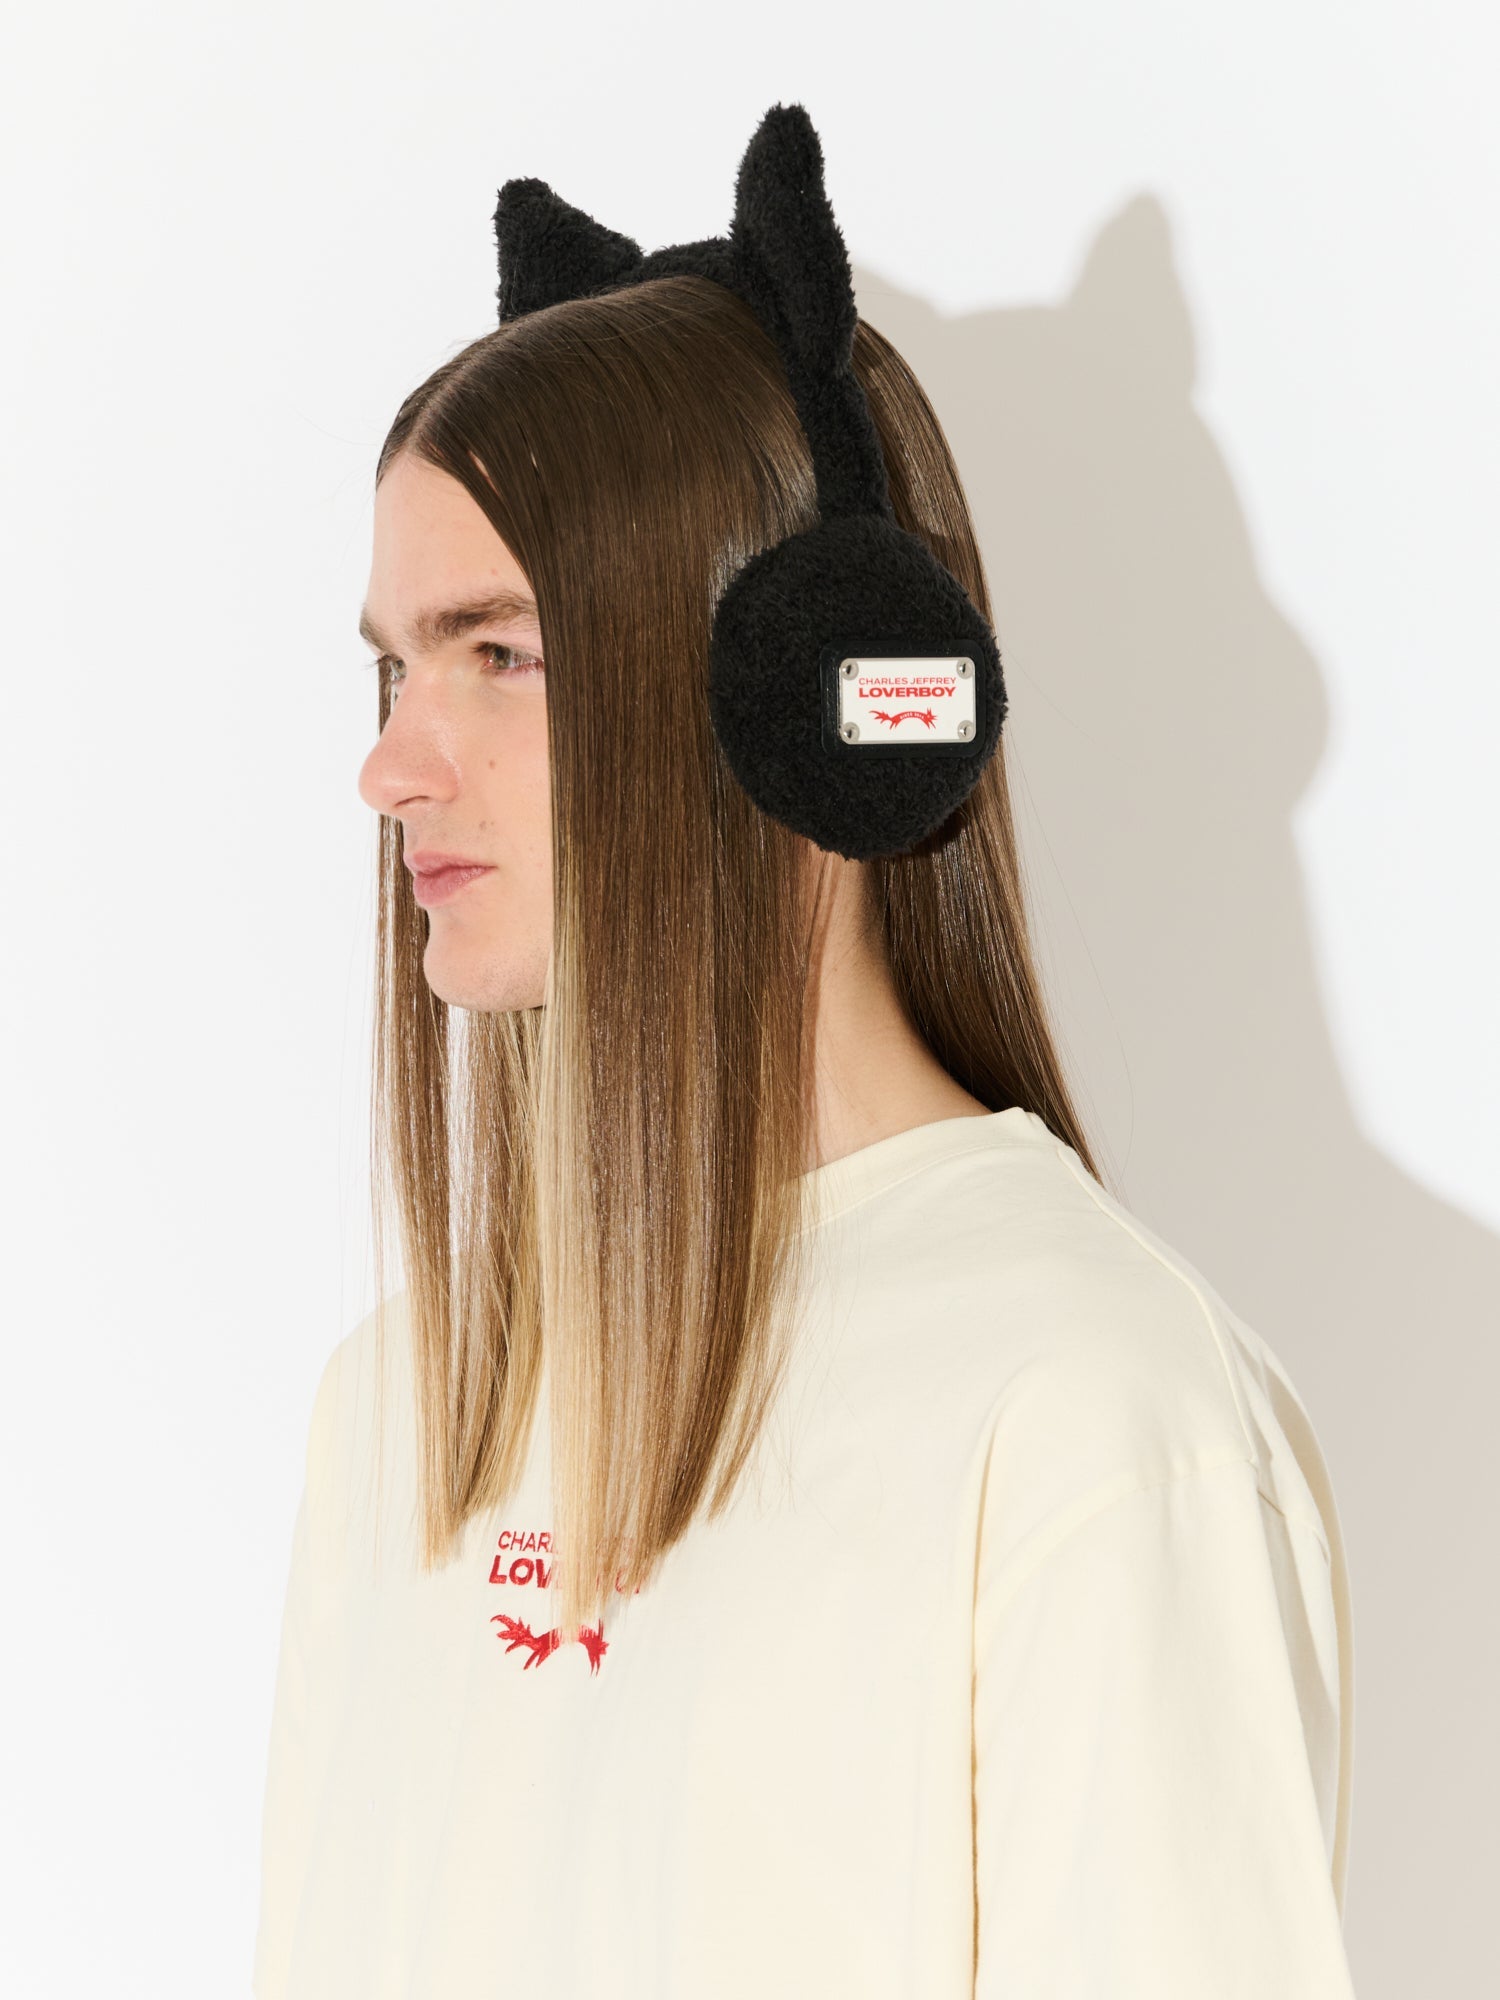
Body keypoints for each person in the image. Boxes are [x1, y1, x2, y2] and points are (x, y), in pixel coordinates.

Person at [251, 220, 1357, 1999]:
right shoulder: (399, 1407)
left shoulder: (1087, 1413)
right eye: (395, 664)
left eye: (498, 654)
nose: (391, 763)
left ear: (806, 696)